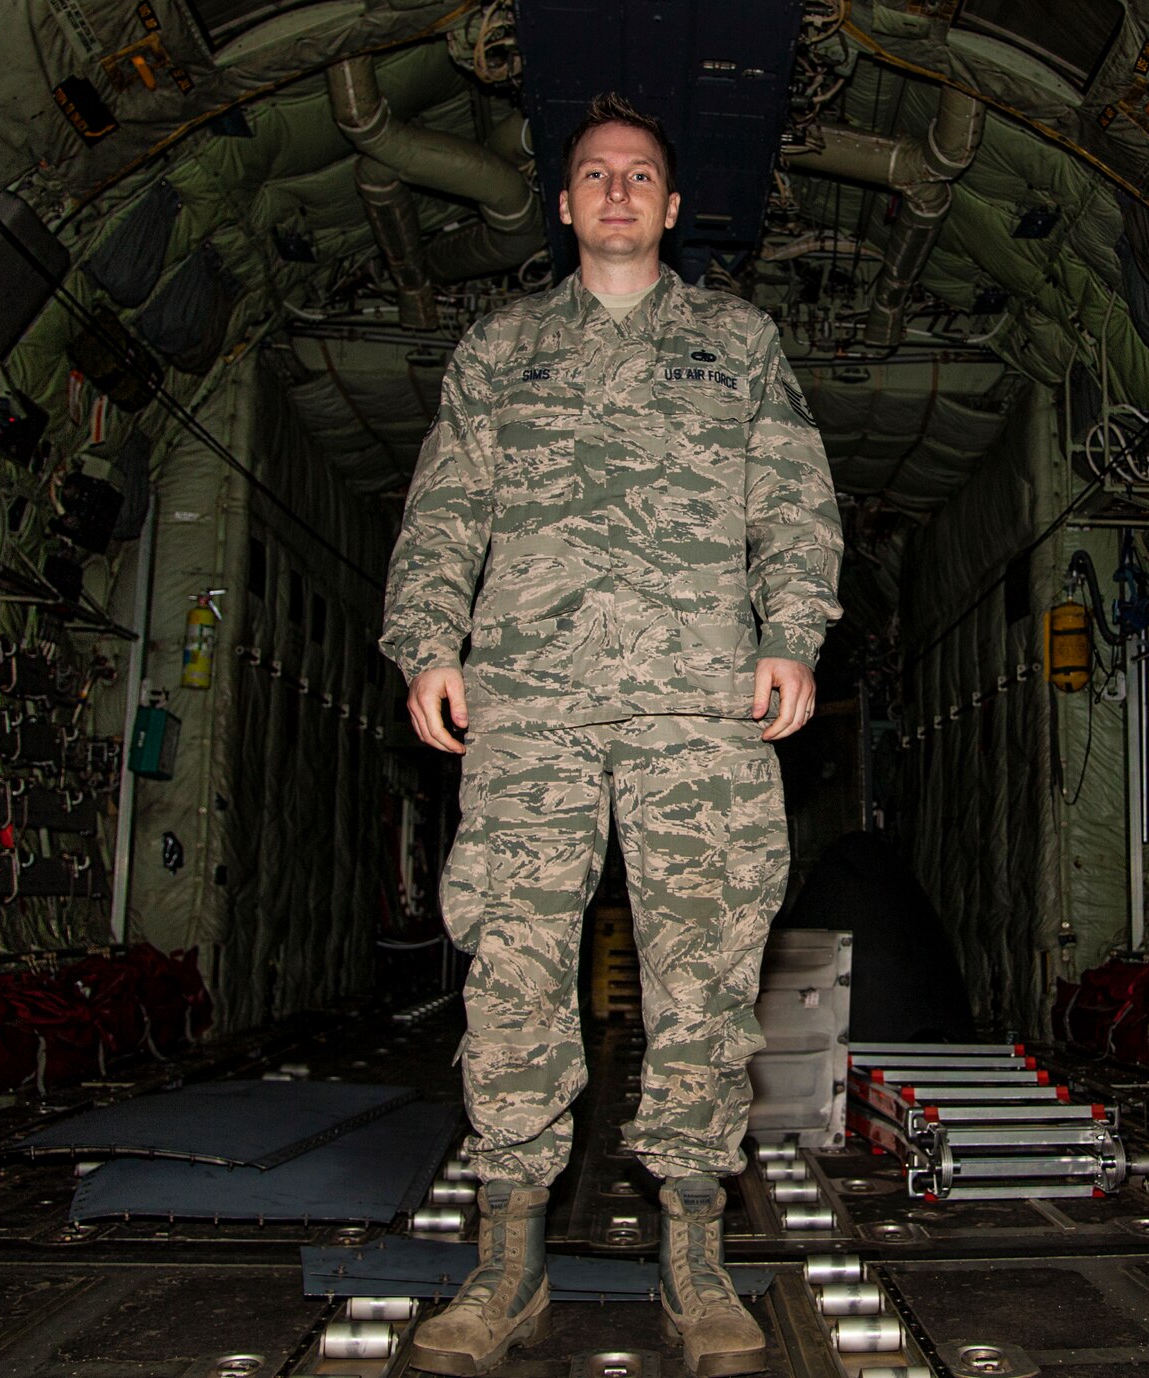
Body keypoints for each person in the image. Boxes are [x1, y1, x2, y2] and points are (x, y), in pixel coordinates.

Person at [378, 91, 843, 1378]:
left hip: (700, 705)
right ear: (567, 204)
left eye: (640, 175)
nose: (619, 193)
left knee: (704, 974)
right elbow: (444, 509)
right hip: (528, 706)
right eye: (595, 176)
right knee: (513, 972)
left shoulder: (737, 344)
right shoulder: (501, 349)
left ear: (673, 206)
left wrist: (792, 632)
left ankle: (695, 1255)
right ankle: (506, 1259)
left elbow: (795, 507)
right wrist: (426, 643)